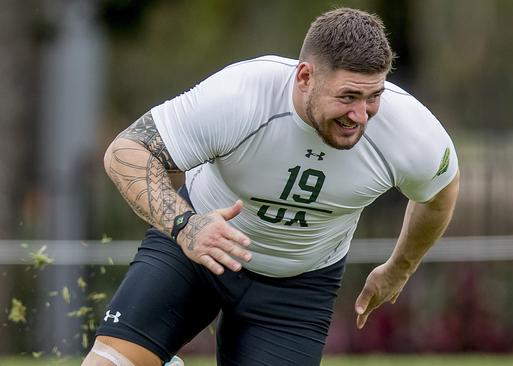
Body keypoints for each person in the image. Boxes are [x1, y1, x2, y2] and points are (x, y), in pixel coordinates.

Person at [82, 7, 459, 366]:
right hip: (195, 253)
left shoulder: (411, 133)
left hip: (297, 289)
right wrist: (187, 226)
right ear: (305, 78)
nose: (360, 115)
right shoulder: (240, 96)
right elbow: (126, 151)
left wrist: (400, 267)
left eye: (373, 96)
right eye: (347, 96)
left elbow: (440, 192)